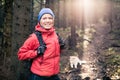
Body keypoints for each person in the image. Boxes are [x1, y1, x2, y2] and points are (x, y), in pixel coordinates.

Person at [17, 8, 65, 80]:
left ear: (53, 20)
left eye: (50, 18)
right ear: (39, 21)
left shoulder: (55, 35)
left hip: (54, 75)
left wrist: (61, 47)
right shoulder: (34, 37)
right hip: (39, 77)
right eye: (44, 18)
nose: (47, 21)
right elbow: (21, 55)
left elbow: (54, 55)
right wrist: (36, 52)